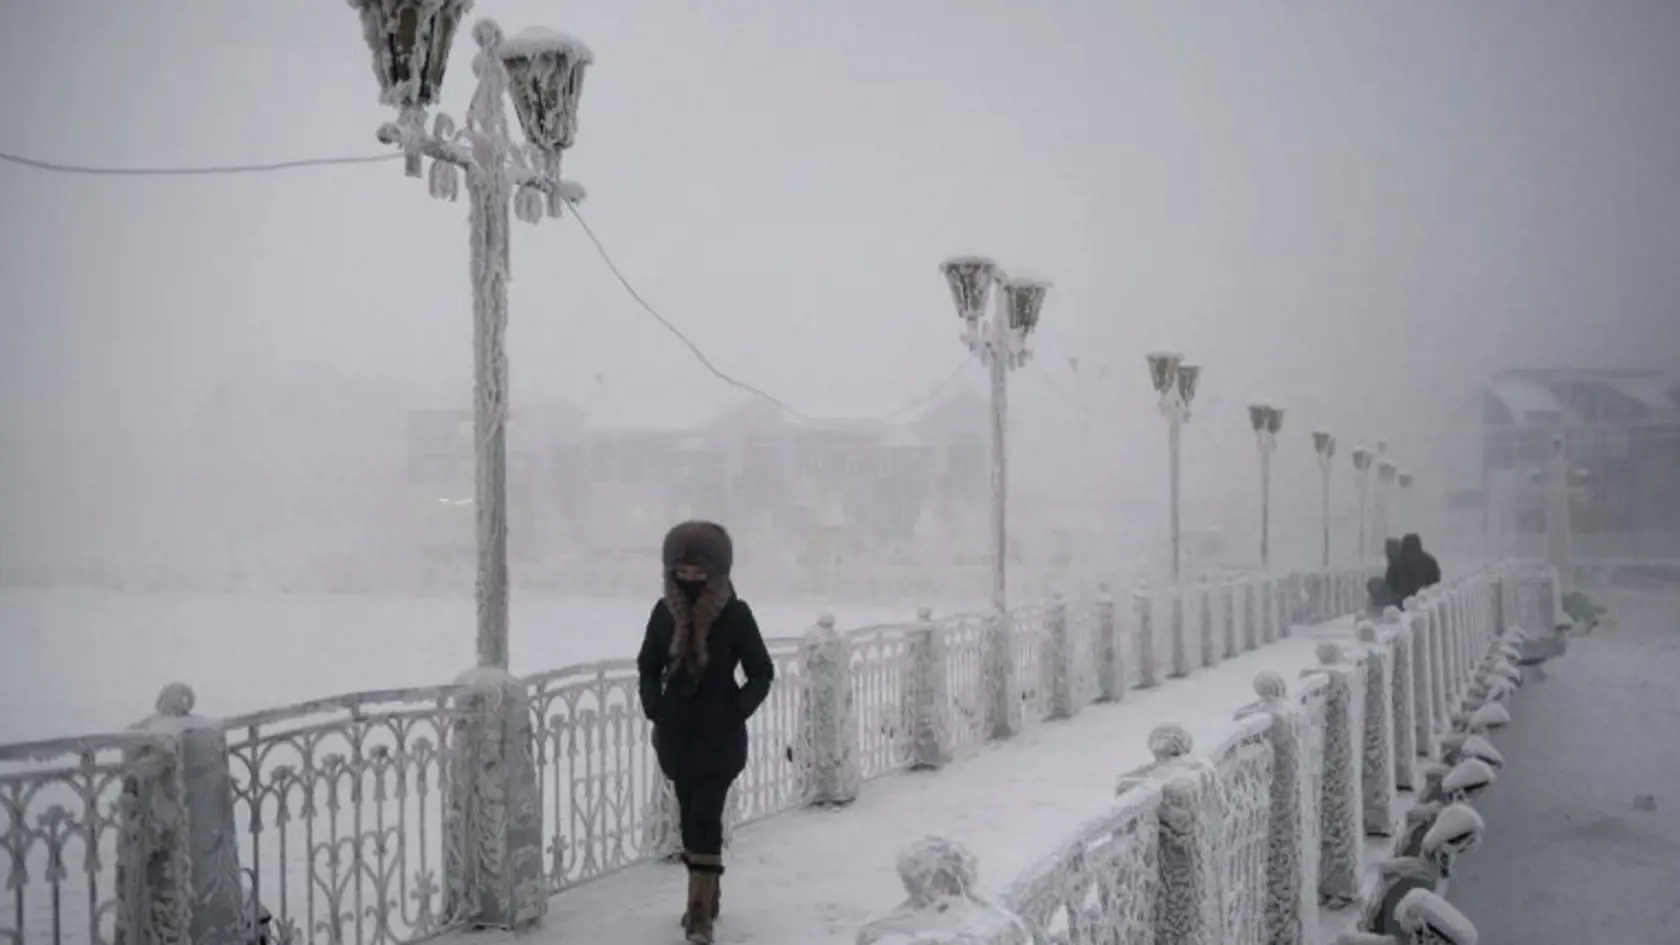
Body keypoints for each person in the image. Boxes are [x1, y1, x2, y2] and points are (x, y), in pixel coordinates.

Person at [637, 521, 775, 945]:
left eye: (699, 572)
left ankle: (698, 913)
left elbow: (761, 672)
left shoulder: (736, 614)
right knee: (687, 815)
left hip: (719, 736)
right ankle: (709, 891)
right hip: (677, 736)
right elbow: (647, 664)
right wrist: (654, 706)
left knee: (706, 815)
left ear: (717, 571)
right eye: (682, 571)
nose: (690, 579)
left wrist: (735, 711)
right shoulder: (664, 613)